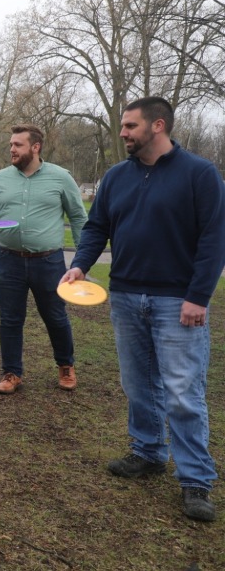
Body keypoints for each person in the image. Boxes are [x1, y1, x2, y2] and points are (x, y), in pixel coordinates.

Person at [62, 97, 225, 522]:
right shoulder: (116, 177)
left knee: (183, 393)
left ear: (157, 126)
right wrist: (80, 264)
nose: (123, 133)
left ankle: (195, 480)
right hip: (126, 296)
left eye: (131, 126)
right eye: (123, 126)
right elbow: (97, 226)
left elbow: (213, 240)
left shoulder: (200, 174)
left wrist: (198, 296)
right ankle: (149, 453)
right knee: (137, 384)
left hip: (178, 301)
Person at [0, 124, 87, 394]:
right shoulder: (0, 178)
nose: (11, 149)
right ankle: (12, 373)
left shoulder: (61, 177)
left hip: (48, 262)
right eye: (11, 144)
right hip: (8, 260)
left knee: (56, 317)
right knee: (10, 319)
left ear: (35, 147)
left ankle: (65, 366)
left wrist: (82, 260)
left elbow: (78, 217)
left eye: (17, 145)